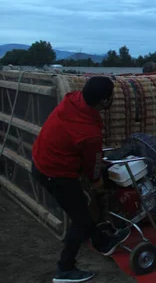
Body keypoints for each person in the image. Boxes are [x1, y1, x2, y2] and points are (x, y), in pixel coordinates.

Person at [31, 76, 131, 283]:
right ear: (103, 101)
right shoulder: (88, 132)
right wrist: (99, 184)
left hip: (41, 161)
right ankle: (65, 269)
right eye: (110, 96)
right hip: (55, 173)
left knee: (81, 209)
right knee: (81, 220)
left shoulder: (73, 100)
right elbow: (93, 168)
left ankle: (103, 242)